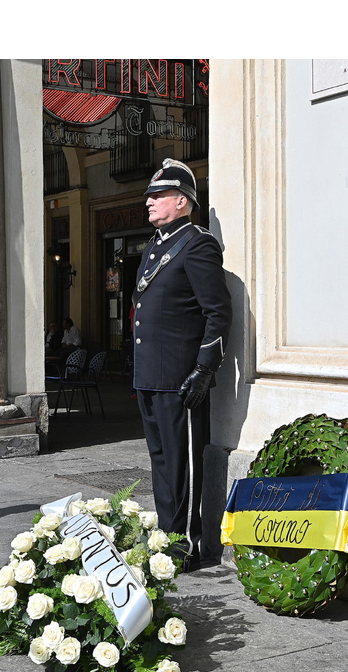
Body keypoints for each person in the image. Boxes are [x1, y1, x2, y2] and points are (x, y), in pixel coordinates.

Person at [133, 158, 232, 570]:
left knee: (182, 462)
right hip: (150, 375)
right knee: (161, 461)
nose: (150, 203)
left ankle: (186, 543)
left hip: (180, 377)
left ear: (182, 201)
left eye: (158, 196)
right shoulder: (155, 246)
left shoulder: (197, 243)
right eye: (150, 197)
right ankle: (166, 534)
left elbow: (218, 312)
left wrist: (205, 368)